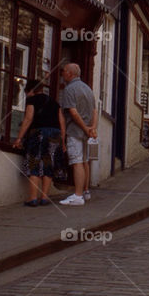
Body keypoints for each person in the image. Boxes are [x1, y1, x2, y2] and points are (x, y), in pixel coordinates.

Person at [12, 77, 65, 206]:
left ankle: (33, 198)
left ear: (31, 90)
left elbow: (28, 119)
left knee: (34, 163)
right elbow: (62, 122)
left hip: (38, 133)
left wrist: (19, 138)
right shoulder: (54, 102)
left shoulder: (32, 100)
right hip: (55, 134)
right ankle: (45, 197)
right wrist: (63, 141)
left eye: (27, 92)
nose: (26, 95)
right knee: (48, 164)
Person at [58, 62, 97, 205]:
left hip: (75, 131)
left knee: (76, 162)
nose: (62, 73)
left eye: (64, 71)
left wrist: (85, 128)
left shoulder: (69, 89)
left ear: (70, 73)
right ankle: (85, 192)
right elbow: (94, 111)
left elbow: (73, 112)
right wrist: (92, 128)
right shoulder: (88, 89)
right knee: (84, 161)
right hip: (87, 132)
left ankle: (78, 195)